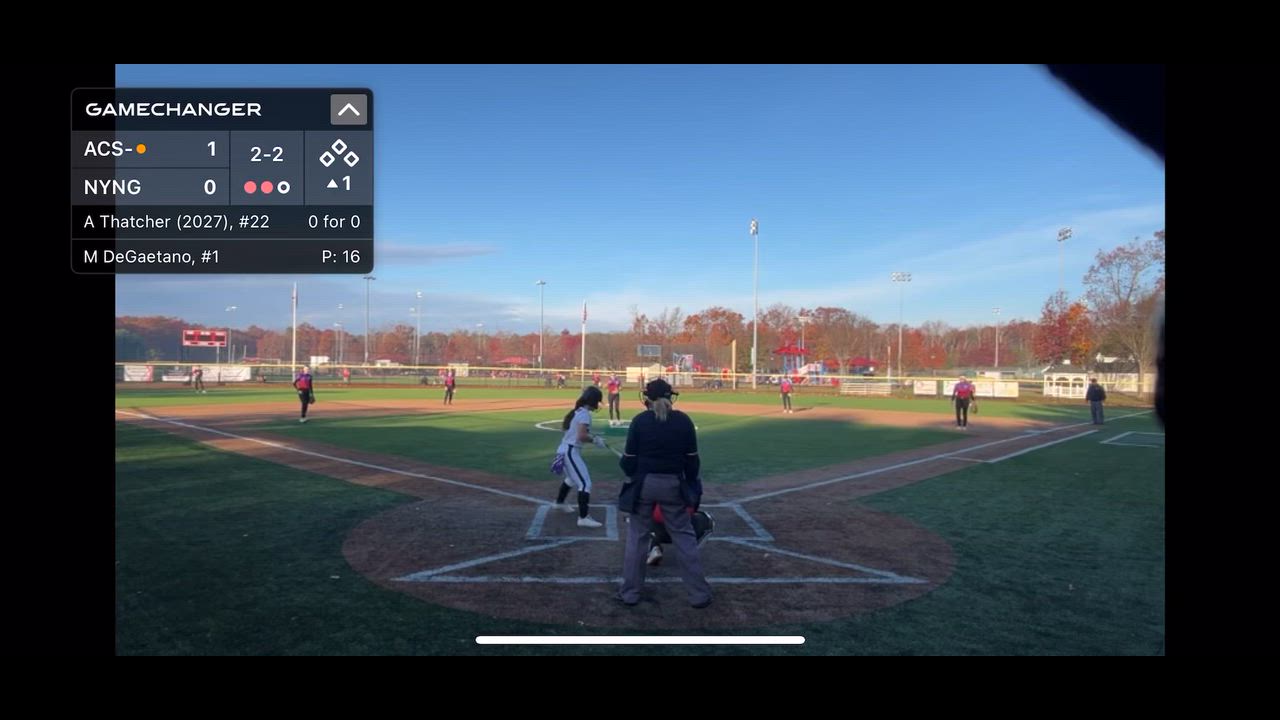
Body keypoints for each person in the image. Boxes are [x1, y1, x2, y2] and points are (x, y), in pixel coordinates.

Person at [616, 379, 711, 608]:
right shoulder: (683, 421)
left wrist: (631, 469)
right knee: (684, 537)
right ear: (670, 398)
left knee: (637, 537)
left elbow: (628, 462)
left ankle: (630, 593)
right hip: (673, 485)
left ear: (646, 398)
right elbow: (692, 462)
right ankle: (699, 594)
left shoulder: (640, 421)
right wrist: (690, 484)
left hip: (645, 484)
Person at [550, 386, 606, 527]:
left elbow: (576, 432)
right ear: (593, 401)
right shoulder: (584, 414)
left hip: (564, 449)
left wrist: (593, 438)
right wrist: (595, 440)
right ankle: (583, 517)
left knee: (571, 478)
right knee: (585, 483)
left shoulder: (578, 411)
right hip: (570, 451)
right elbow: (581, 436)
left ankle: (559, 502)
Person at [644, 504, 715, 567]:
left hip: (660, 527)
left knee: (641, 516)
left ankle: (652, 545)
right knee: (706, 519)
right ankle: (689, 546)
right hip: (684, 527)